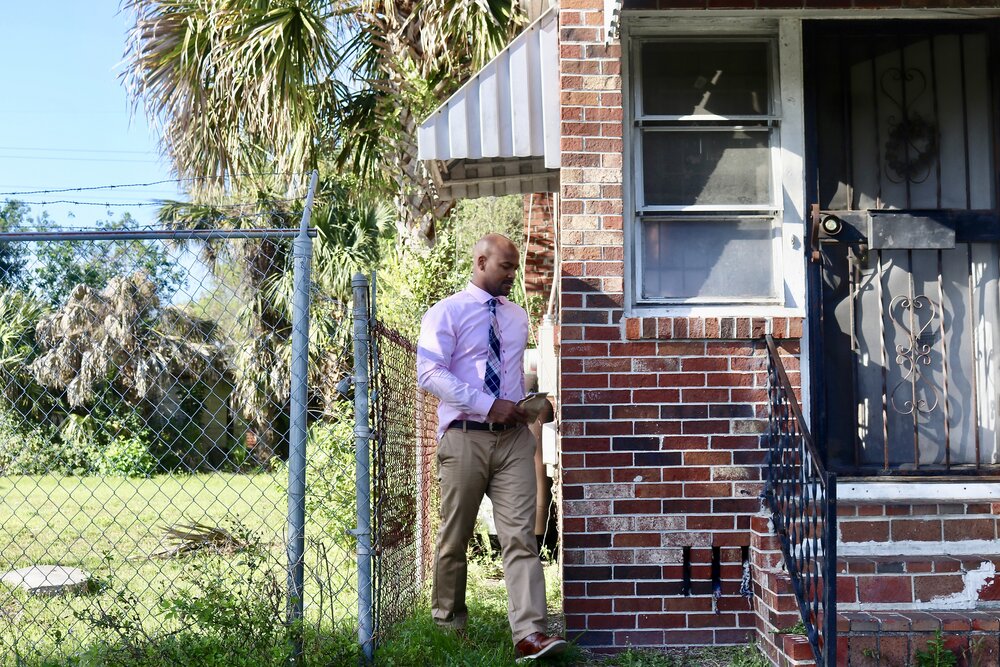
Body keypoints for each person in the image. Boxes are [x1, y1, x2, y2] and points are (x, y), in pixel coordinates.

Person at [416, 234, 567, 662]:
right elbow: (429, 372)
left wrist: (527, 407)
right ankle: (448, 626)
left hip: (514, 441)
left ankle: (530, 634)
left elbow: (512, 376)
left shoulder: (517, 317)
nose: (513, 275)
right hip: (464, 437)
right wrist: (488, 404)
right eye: (506, 266)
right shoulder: (445, 312)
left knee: (520, 538)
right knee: (455, 537)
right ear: (481, 261)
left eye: (515, 267)